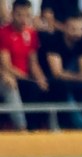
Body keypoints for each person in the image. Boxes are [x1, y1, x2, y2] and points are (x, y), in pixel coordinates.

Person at [39, 10, 82, 129]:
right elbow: (57, 73)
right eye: (73, 29)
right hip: (53, 83)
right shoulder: (53, 40)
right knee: (64, 87)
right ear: (64, 27)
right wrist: (81, 77)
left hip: (75, 80)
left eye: (81, 29)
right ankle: (80, 123)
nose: (78, 33)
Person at [0, 0, 48, 130]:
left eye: (27, 15)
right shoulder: (3, 33)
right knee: (10, 86)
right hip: (8, 75)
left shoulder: (31, 33)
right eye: (19, 15)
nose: (23, 19)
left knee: (43, 86)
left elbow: (33, 62)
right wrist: (26, 78)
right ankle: (21, 127)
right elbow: (5, 65)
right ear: (12, 14)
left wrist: (40, 78)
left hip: (25, 77)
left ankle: (40, 127)